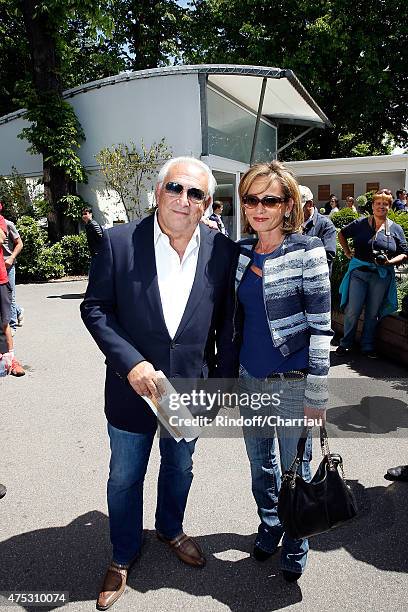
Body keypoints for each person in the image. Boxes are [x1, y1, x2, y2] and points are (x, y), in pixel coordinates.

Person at [80, 156, 238, 610]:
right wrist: (130, 363)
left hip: (189, 390)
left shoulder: (222, 250)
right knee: (125, 476)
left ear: (207, 204)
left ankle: (170, 528)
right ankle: (123, 553)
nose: (184, 201)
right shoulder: (118, 242)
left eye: (196, 194)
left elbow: (227, 324)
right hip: (133, 388)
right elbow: (96, 309)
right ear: (158, 192)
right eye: (175, 188)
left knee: (180, 467)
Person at [234, 161, 332, 582]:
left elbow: (321, 326)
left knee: (297, 469)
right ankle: (271, 522)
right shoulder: (238, 251)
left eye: (269, 199)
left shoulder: (307, 250)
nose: (259, 207)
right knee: (260, 465)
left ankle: (296, 538)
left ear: (288, 203)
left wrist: (318, 394)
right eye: (251, 199)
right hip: (249, 377)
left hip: (293, 384)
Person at [337, 190, 408, 358]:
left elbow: (405, 253)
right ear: (373, 205)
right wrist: (347, 252)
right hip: (359, 273)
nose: (381, 207)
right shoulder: (360, 223)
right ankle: (346, 343)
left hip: (381, 276)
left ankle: (367, 346)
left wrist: (390, 262)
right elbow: (341, 234)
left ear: (389, 207)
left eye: (385, 204)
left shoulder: (395, 229)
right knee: (353, 309)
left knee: (372, 312)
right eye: (378, 203)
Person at [0, 226, 25, 376]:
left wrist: (11, 258)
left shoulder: (4, 222)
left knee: (4, 321)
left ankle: (10, 360)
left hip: (1, 277)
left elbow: (2, 238)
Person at [299, 185, 337, 274]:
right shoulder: (291, 223)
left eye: (299, 208)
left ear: (310, 204)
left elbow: (328, 255)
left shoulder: (326, 225)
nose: (295, 212)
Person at [0, 202, 24, 334]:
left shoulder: (8, 224)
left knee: (10, 296)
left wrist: (11, 258)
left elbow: (19, 244)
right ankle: (19, 311)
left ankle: (12, 325)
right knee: (3, 297)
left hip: (7, 265)